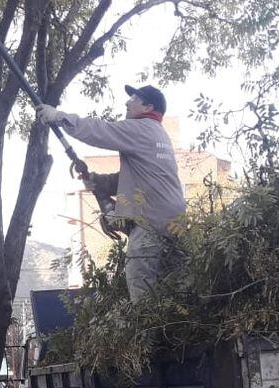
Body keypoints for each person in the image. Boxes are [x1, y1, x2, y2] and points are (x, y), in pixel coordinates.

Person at [36, 85, 186, 300]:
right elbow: (138, 179)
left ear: (148, 107)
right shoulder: (159, 135)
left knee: (142, 294)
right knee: (173, 290)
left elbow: (100, 130)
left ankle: (148, 331)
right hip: (174, 224)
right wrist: (98, 181)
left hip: (150, 224)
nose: (127, 102)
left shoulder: (141, 127)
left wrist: (59, 117)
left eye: (133, 98)